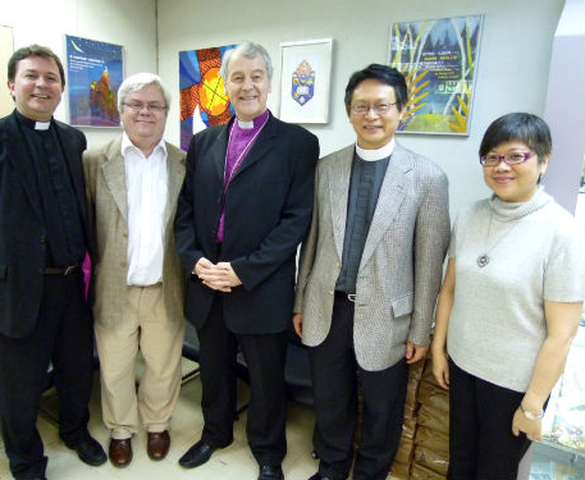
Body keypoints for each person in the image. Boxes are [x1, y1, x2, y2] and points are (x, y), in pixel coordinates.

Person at [0, 44, 106, 480]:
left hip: (71, 285)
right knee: (20, 384)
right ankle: (26, 461)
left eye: (51, 78)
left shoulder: (73, 139)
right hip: (16, 289)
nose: (42, 84)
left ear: (61, 88)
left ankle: (76, 431)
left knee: (76, 370)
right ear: (11, 84)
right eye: (32, 76)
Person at [293, 63, 450, 480]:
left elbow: (429, 263)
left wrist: (420, 329)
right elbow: (312, 241)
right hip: (327, 307)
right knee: (330, 399)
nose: (371, 115)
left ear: (402, 111)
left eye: (382, 106)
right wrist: (300, 299)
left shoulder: (428, 178)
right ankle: (331, 467)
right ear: (349, 112)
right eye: (361, 106)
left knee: (382, 408)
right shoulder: (327, 168)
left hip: (389, 316)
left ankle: (370, 473)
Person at [174, 41, 319, 480]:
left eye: (256, 76)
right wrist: (195, 260)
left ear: (270, 83)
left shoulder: (298, 143)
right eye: (237, 77)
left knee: (266, 379)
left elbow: (296, 221)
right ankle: (215, 433)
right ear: (224, 84)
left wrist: (243, 270)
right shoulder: (203, 141)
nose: (247, 85)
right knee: (214, 371)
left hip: (260, 285)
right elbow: (185, 212)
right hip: (207, 282)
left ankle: (268, 452)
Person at [431, 112, 585, 479]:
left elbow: (561, 334)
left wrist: (532, 406)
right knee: (460, 465)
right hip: (463, 367)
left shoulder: (562, 233)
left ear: (543, 160)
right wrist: (439, 349)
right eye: (492, 157)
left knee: (494, 472)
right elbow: (450, 287)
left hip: (514, 384)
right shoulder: (470, 216)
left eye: (516, 156)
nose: (502, 167)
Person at [82, 73, 186, 468]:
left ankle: (158, 423)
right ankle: (121, 430)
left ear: (165, 113)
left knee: (164, 363)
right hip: (114, 285)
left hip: (165, 284)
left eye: (155, 105)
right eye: (136, 104)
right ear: (121, 110)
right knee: (115, 365)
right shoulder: (94, 161)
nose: (146, 112)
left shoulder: (182, 162)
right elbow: (84, 222)